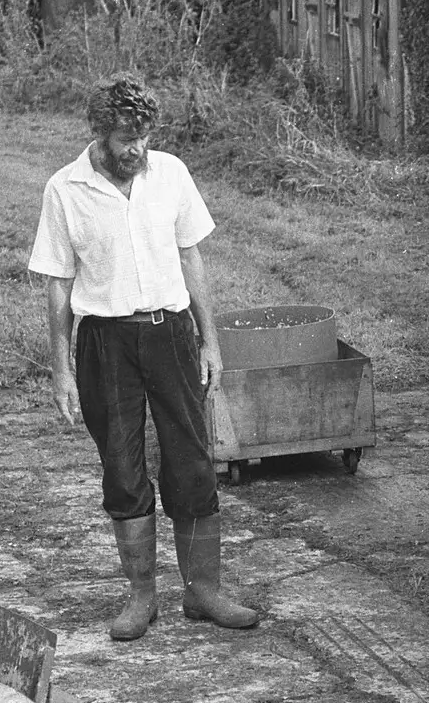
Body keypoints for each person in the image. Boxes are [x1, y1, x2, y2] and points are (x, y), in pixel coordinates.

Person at [28, 73, 258, 641]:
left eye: (146, 135)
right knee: (123, 468)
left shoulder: (171, 173)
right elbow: (57, 284)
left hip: (172, 334)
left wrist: (211, 340)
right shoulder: (65, 189)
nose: (139, 148)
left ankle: (203, 593)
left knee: (192, 458)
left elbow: (191, 257)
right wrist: (60, 369)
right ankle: (141, 598)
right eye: (128, 138)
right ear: (99, 132)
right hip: (105, 342)